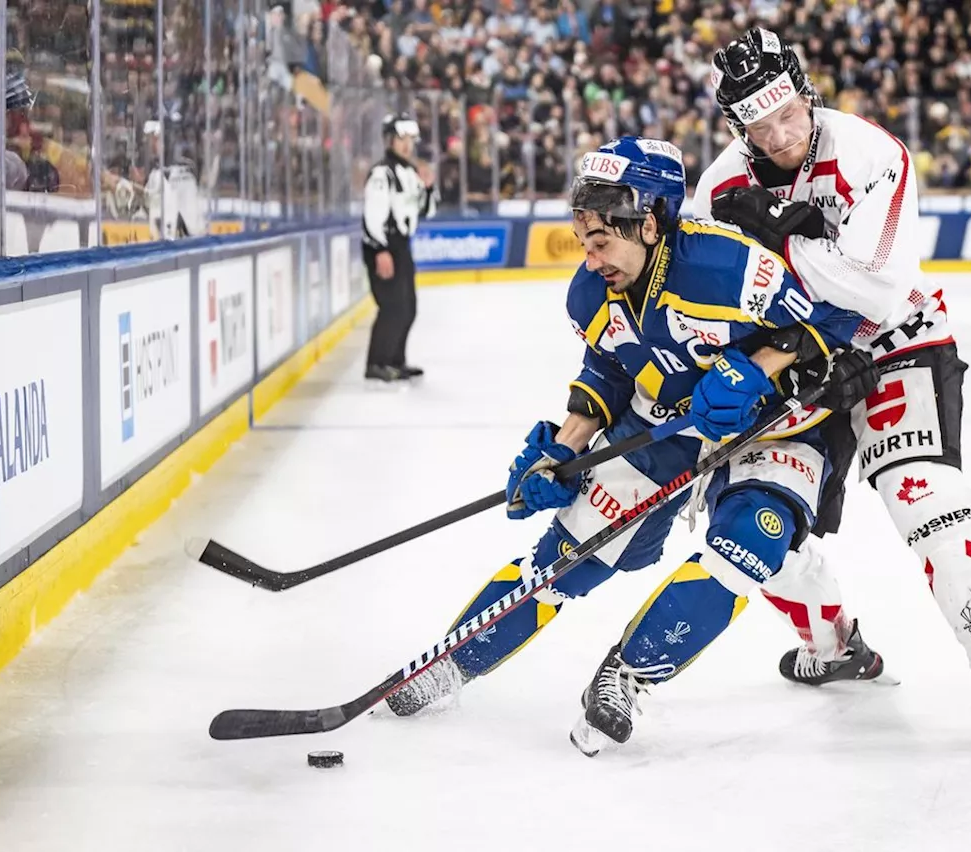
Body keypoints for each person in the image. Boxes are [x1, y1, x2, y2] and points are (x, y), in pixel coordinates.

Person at [382, 136, 883, 756]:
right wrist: (563, 447)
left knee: (749, 540)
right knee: (567, 554)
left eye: (602, 242)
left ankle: (628, 676)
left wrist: (760, 366)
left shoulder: (731, 268)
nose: (591, 260)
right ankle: (453, 662)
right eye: (583, 242)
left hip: (775, 425)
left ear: (649, 222)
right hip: (668, 426)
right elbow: (611, 369)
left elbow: (845, 316)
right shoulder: (591, 293)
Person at [688, 28, 971, 751]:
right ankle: (833, 646)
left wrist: (782, 248)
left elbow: (879, 287)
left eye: (790, 113)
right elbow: (712, 307)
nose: (782, 134)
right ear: (736, 126)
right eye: (760, 126)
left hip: (897, 343)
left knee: (927, 502)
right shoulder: (718, 189)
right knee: (751, 523)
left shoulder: (868, 152)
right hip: (798, 361)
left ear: (805, 91)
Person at [361, 112, 437, 382]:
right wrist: (380, 249)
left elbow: (426, 211)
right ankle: (376, 364)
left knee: (408, 307)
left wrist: (428, 188)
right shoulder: (383, 174)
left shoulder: (410, 173)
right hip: (384, 245)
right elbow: (373, 214)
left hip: (402, 245)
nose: (407, 145)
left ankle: (395, 360)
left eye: (410, 139)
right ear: (390, 141)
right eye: (401, 139)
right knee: (392, 306)